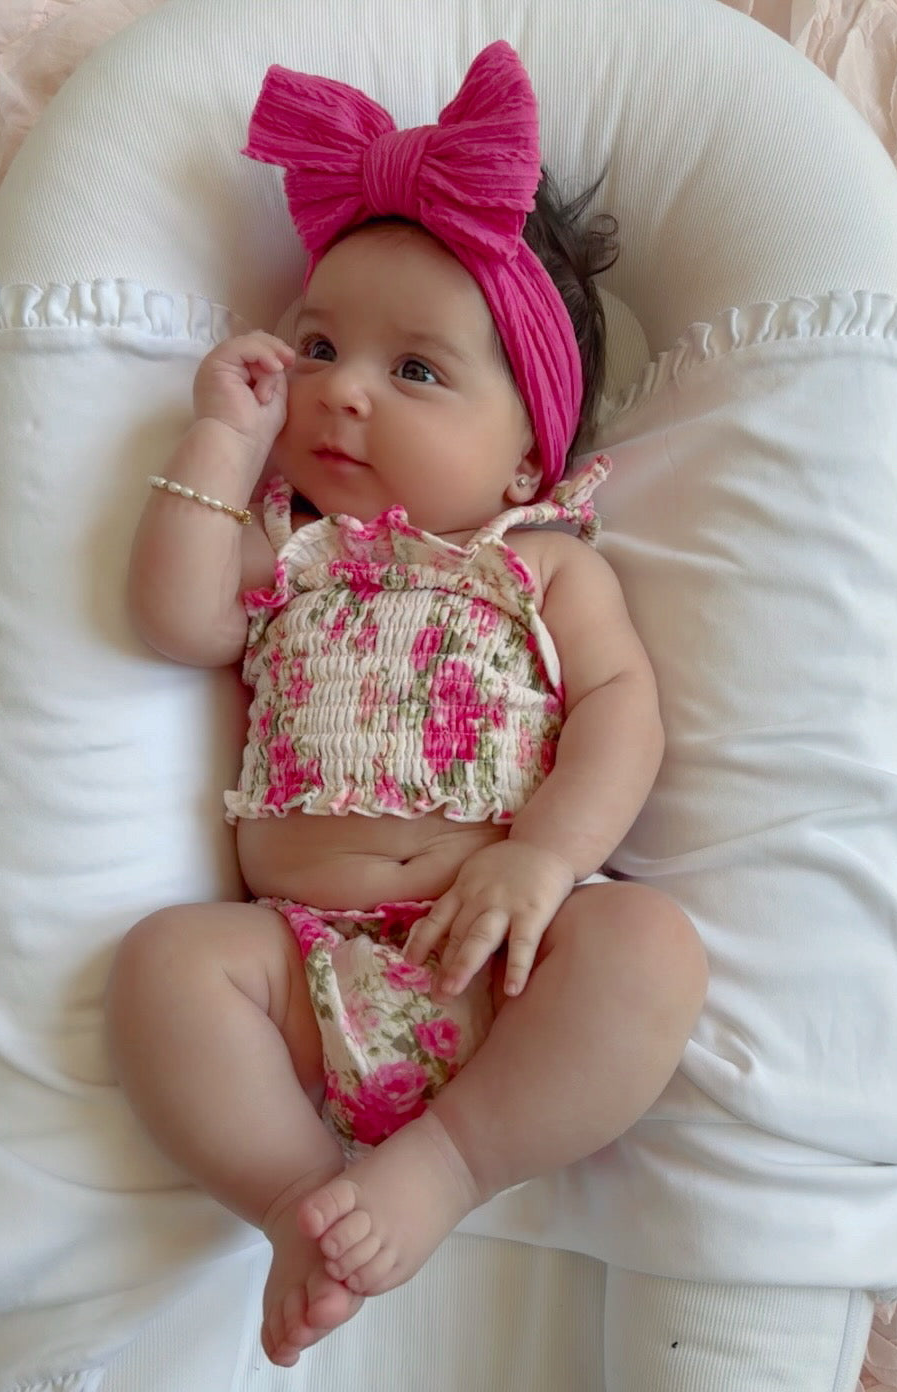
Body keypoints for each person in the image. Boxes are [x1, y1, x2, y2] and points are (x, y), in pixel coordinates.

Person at [105, 41, 707, 1370]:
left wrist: (548, 858)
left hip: (496, 952)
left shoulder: (541, 562)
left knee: (652, 951)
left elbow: (620, 710)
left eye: (417, 371)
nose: (344, 387)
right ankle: (288, 1199)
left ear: (527, 454)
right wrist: (218, 439)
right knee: (159, 969)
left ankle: (444, 1166)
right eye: (317, 344)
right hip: (300, 970)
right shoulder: (294, 546)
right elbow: (175, 616)